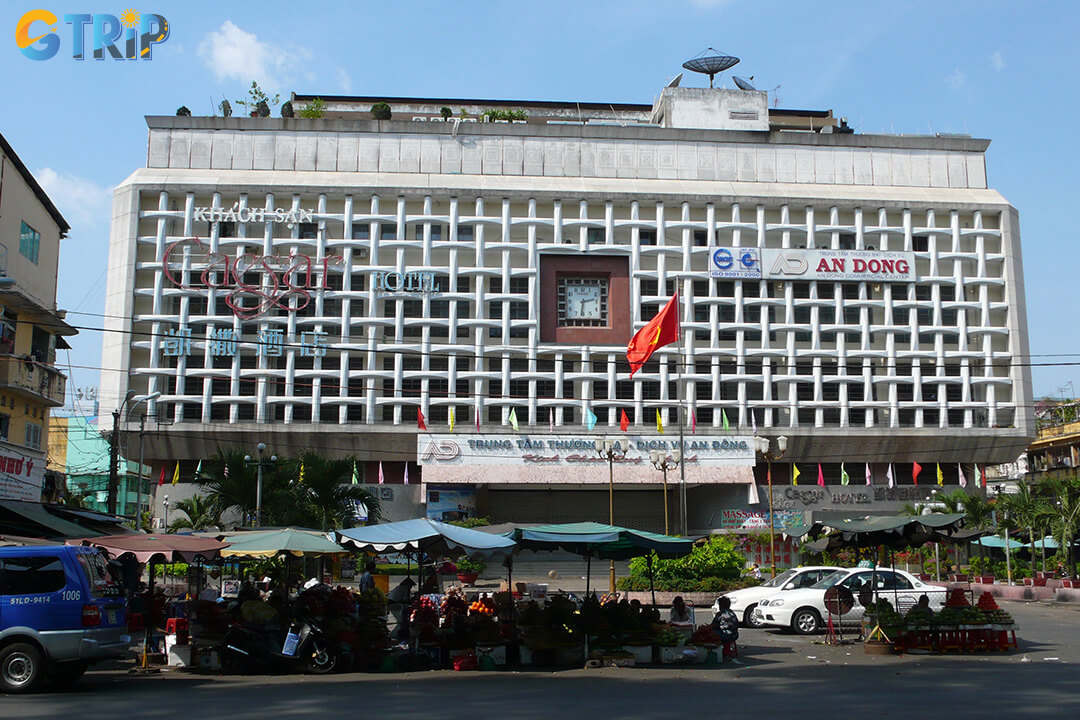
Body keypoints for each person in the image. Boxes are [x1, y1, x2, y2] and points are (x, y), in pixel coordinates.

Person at [710, 596, 740, 662]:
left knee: (710, 633)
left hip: (725, 636)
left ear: (722, 605)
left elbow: (713, 625)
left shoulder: (721, 614)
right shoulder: (732, 612)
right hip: (735, 634)